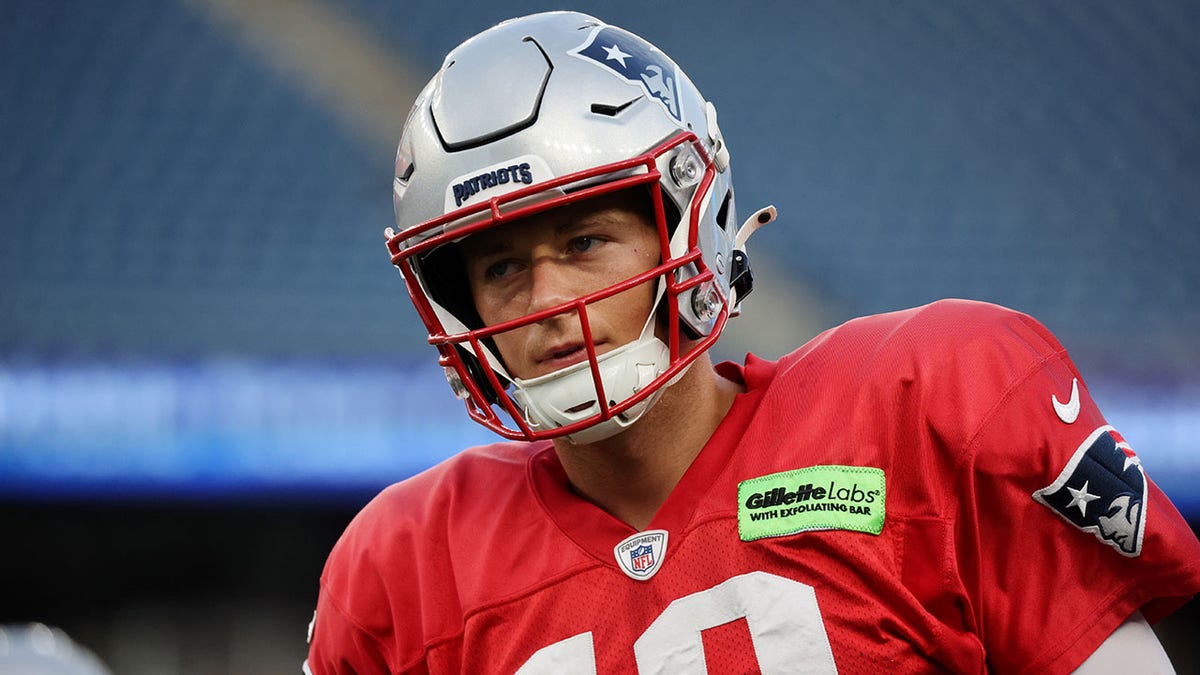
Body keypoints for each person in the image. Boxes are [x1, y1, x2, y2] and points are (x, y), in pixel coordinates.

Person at [305, 11, 1200, 674]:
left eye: (584, 243)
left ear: (689, 231)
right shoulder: (404, 569)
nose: (546, 300)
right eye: (501, 268)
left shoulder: (920, 408)